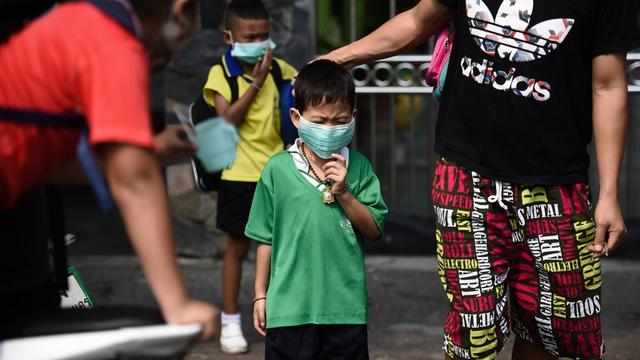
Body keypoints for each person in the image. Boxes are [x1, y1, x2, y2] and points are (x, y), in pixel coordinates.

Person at [319, 0, 640, 359]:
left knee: (555, 329)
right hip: (465, 178)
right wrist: (333, 60)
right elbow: (416, 20)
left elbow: (609, 86)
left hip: (556, 186)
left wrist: (610, 193)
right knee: (474, 332)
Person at [0, 0, 218, 340]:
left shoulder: (83, 22)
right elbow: (134, 180)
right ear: (181, 12)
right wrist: (178, 304)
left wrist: (150, 153)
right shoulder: (115, 44)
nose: (170, 57)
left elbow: (45, 166)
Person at [246, 59, 388, 359]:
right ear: (297, 117)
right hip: (289, 310)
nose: (329, 129)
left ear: (353, 116)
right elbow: (265, 238)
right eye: (320, 120)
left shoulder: (359, 168)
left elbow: (374, 229)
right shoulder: (277, 170)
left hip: (345, 311)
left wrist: (346, 194)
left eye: (339, 121)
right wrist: (261, 294)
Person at [201, 0, 297, 353]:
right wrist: (254, 84)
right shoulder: (221, 74)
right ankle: (229, 321)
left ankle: (278, 316)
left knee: (276, 251)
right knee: (237, 249)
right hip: (238, 175)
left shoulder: (278, 69)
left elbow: (301, 89)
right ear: (229, 37)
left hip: (276, 174)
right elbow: (226, 122)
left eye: (265, 35)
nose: (260, 43)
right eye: (251, 36)